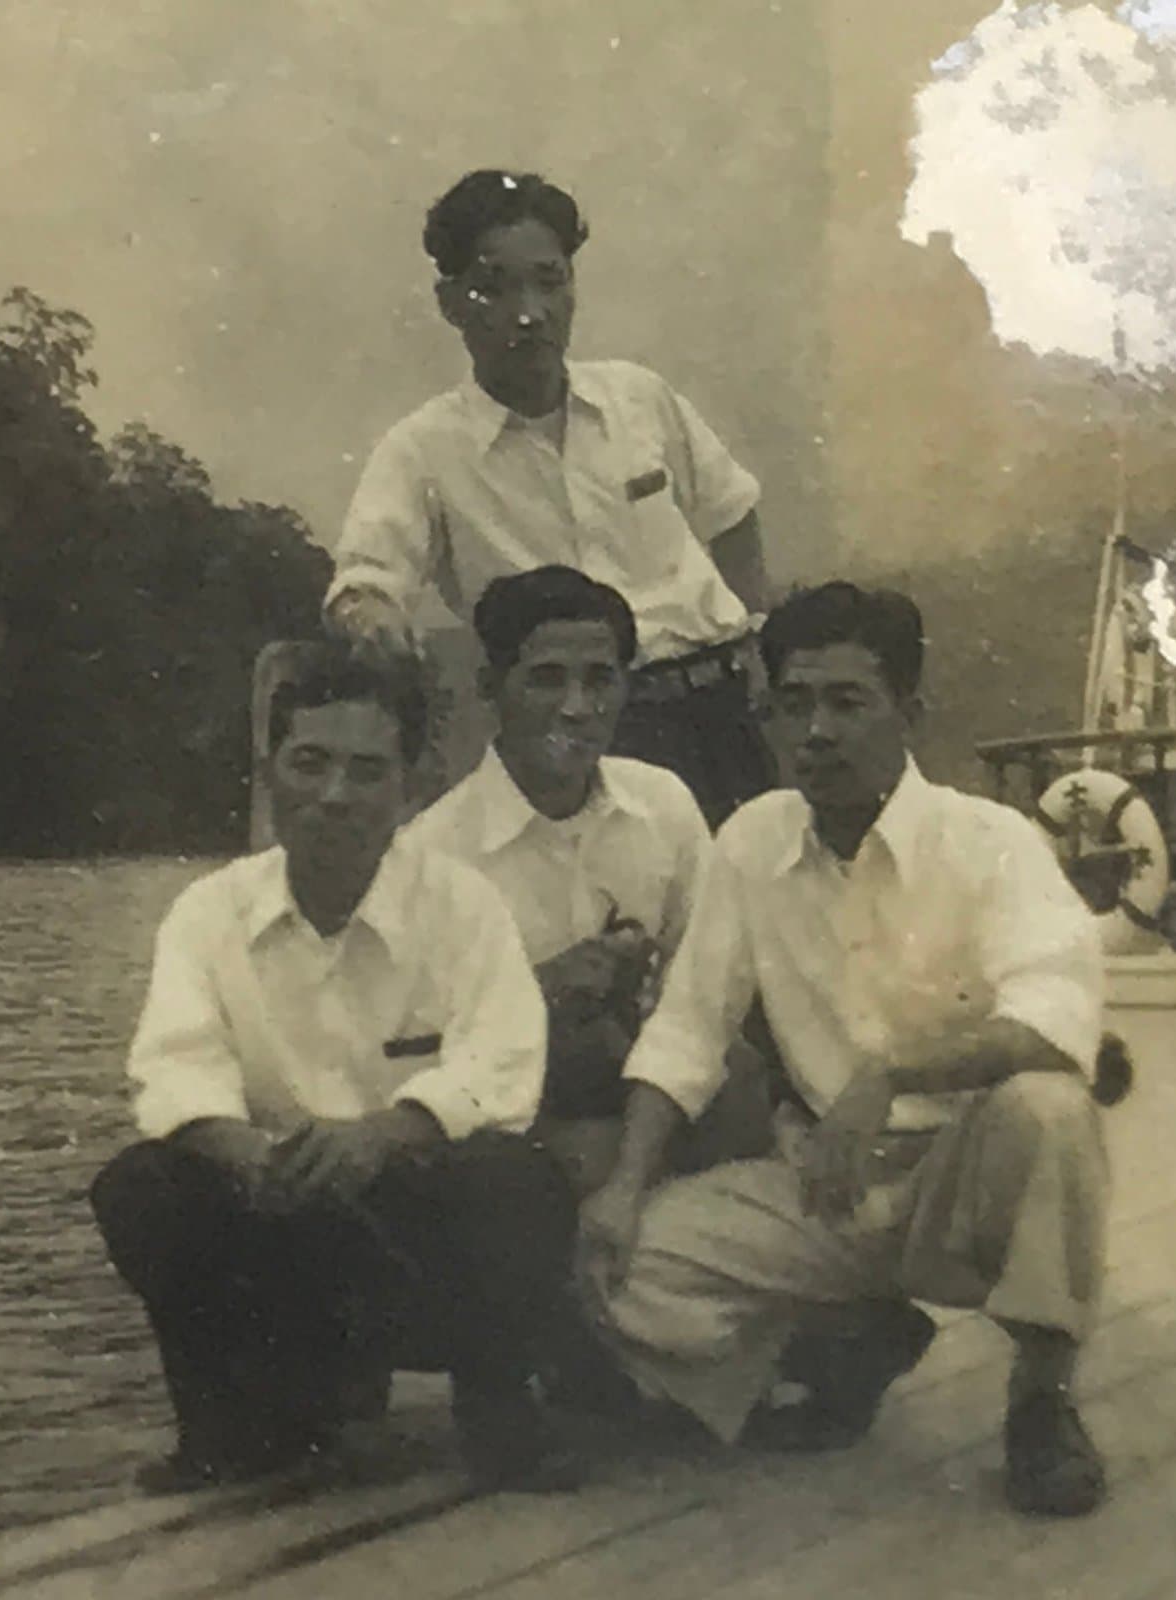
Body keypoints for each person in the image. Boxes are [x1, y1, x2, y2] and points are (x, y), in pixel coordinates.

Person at [578, 582, 1114, 1518]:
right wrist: (623, 1184)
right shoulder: (750, 842)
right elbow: (688, 1028)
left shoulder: (990, 841)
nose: (815, 731)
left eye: (847, 702)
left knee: (1051, 1109)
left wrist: (896, 1075)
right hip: (828, 1185)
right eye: (793, 703)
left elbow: (1058, 1021)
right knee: (622, 1268)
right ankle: (842, 1344)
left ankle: (1042, 1401)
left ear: (910, 712)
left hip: (964, 1176)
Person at [90, 641, 582, 1495]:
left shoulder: (463, 906)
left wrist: (386, 1134)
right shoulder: (208, 913)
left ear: (408, 786)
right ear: (269, 771)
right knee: (142, 1185)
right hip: (277, 1208)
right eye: (309, 764)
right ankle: (235, 1429)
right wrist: (246, 1151)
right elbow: (173, 1070)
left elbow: (505, 1066)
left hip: (415, 1222)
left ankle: (499, 1409)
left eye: (365, 771)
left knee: (520, 1178)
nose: (334, 797)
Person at [325, 168, 776, 826]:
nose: (529, 312)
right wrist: (375, 624)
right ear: (450, 302)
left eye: (549, 281)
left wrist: (761, 640)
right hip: (583, 735)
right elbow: (365, 585)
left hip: (723, 711)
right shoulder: (422, 449)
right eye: (495, 289)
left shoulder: (638, 398)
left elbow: (731, 512)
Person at [402, 565, 742, 1198]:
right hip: (520, 1133)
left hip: (658, 1102)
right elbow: (412, 1055)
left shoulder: (663, 803)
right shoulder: (432, 853)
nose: (577, 708)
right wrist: (539, 993)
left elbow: (711, 984)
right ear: (489, 687)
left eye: (600, 679)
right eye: (547, 679)